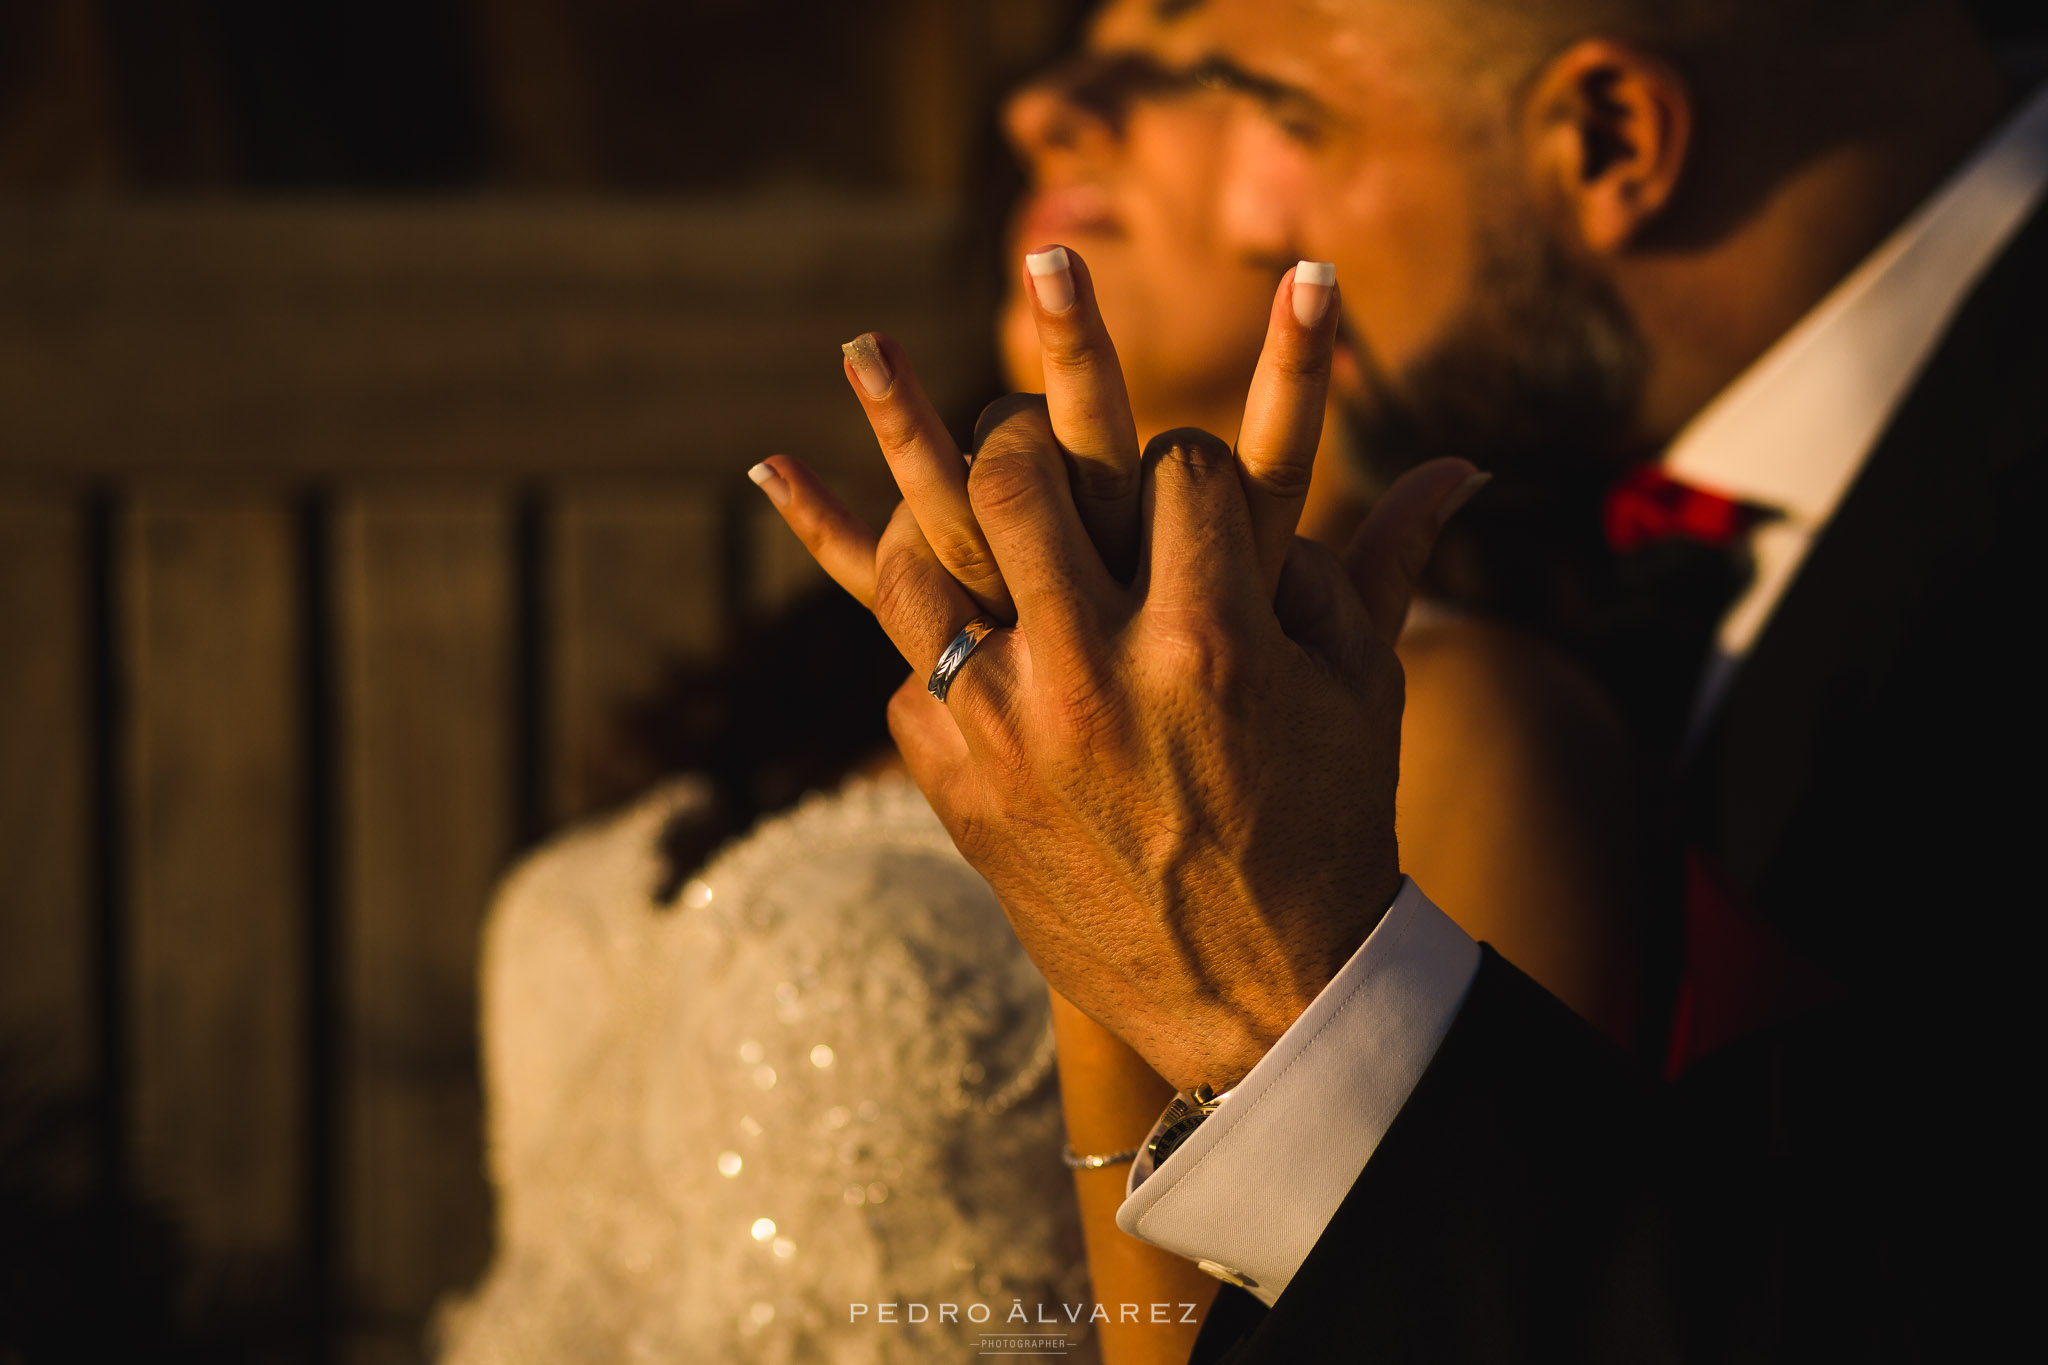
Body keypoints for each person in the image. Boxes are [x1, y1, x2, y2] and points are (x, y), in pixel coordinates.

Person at [760, 0, 2046, 1359]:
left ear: (1613, 142)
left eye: (1294, 116)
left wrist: (1265, 997)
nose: (1265, 221)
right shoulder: (1684, 520)